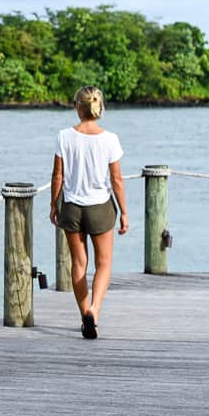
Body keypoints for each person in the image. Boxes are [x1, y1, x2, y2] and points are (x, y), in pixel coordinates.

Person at [49, 86, 128, 339]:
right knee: (103, 264)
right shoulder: (110, 139)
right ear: (99, 107)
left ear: (77, 106)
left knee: (78, 264)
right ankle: (94, 309)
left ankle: (85, 316)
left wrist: (54, 204)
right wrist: (124, 212)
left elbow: (58, 175)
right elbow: (116, 180)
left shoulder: (64, 136)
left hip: (72, 207)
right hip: (100, 207)